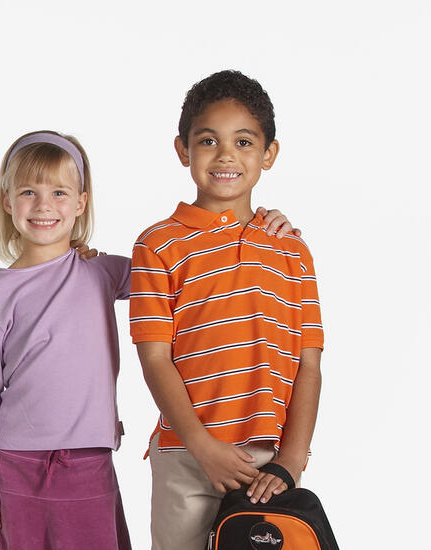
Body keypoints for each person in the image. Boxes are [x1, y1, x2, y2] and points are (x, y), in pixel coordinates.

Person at [131, 70, 324, 550]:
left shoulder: (291, 251)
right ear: (183, 150)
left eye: (243, 141)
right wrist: (202, 446)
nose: (225, 156)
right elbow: (155, 358)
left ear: (268, 154)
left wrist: (292, 460)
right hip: (186, 456)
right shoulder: (158, 245)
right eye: (208, 141)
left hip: (270, 463)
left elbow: (309, 365)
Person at [0, 131, 133, 549]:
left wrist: (256, 224)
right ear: (7, 202)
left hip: (90, 460)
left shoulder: (102, 272)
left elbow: (176, 274)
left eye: (58, 192)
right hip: (16, 464)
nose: (43, 205)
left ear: (80, 203)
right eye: (28, 192)